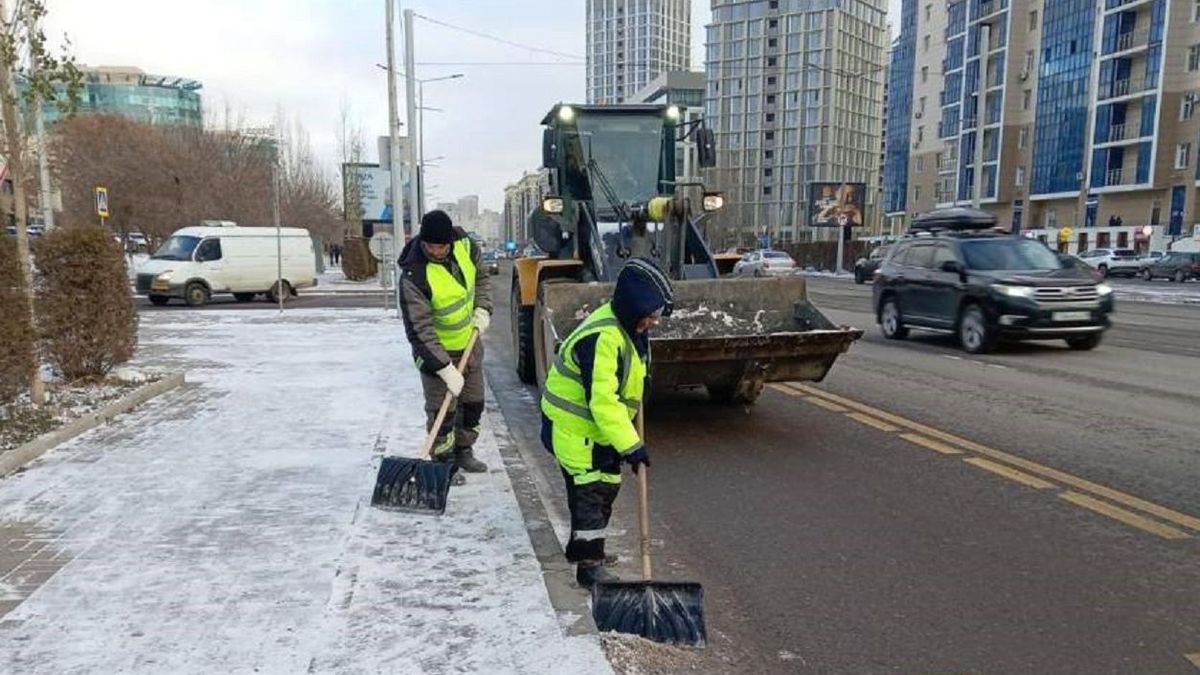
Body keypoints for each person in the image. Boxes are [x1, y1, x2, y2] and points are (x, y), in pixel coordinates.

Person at [540, 258, 673, 588]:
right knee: (591, 492)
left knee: (604, 487)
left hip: (597, 430)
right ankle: (589, 565)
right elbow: (603, 401)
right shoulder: (602, 337)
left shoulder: (629, 327)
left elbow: (629, 379)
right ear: (632, 307)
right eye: (649, 315)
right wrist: (632, 446)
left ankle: (585, 548)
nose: (652, 322)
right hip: (574, 429)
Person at [398, 210, 493, 476]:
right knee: (443, 412)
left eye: (442, 246)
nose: (437, 251)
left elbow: (482, 278)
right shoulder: (414, 276)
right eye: (431, 246)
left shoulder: (465, 245)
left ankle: (464, 451)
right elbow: (420, 331)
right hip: (435, 352)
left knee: (473, 404)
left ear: (450, 240)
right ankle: (443, 463)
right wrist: (444, 368)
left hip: (470, 345)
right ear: (423, 242)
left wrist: (483, 308)